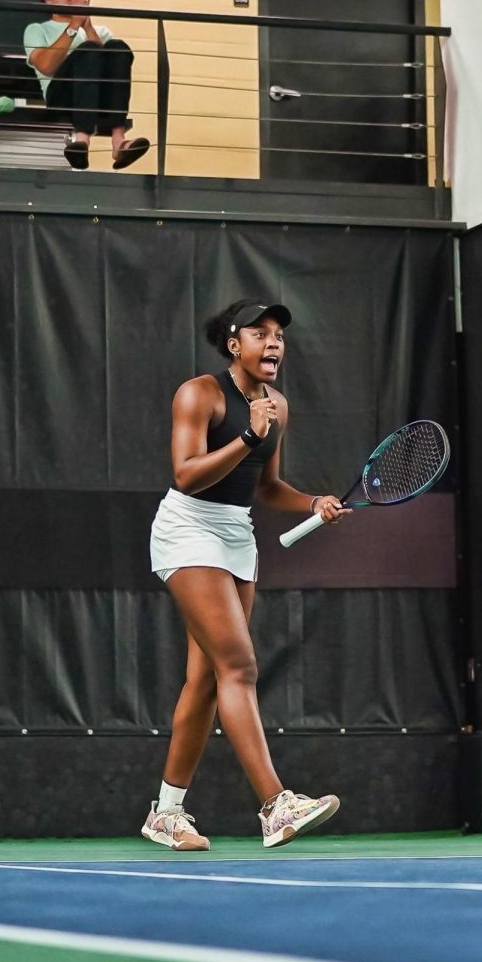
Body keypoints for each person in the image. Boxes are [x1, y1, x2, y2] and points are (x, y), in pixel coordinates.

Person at [144, 299, 347, 851]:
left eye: (279, 334)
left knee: (207, 679)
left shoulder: (277, 405)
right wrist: (247, 438)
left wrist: (312, 504)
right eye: (261, 333)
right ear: (235, 344)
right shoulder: (199, 394)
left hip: (237, 536)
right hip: (187, 530)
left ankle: (166, 812)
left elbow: (263, 486)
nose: (274, 343)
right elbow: (186, 476)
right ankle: (276, 804)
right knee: (239, 665)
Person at [23, 0, 149, 172]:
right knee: (89, 49)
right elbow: (45, 66)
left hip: (97, 98)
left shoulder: (100, 32)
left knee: (118, 47)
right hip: (61, 98)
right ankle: (82, 139)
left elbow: (108, 69)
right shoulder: (37, 29)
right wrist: (73, 25)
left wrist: (87, 25)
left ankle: (119, 142)